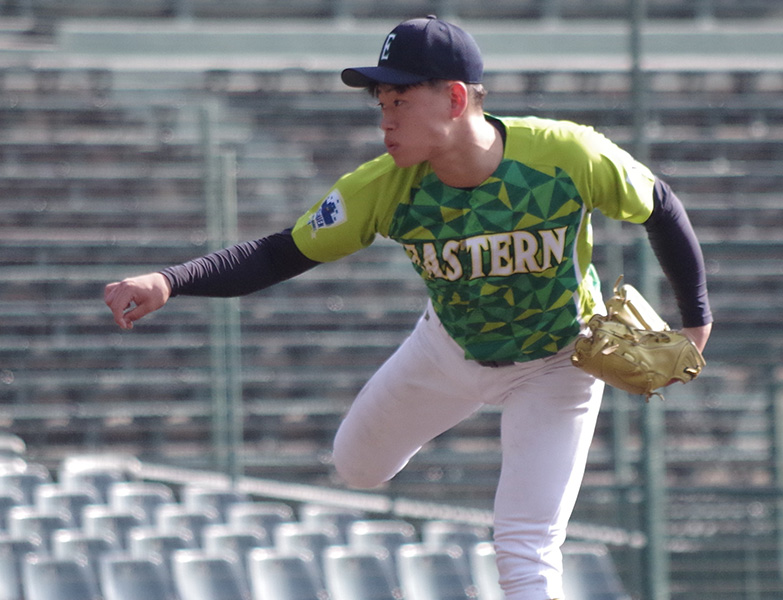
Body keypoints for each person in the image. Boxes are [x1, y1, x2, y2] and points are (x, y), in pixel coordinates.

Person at [105, 15, 712, 600]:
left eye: (399, 101)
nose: (384, 121)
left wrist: (696, 320)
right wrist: (170, 280)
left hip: (558, 364)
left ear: (453, 98)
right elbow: (283, 253)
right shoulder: (383, 186)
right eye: (381, 104)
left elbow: (659, 205)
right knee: (356, 468)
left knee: (526, 547)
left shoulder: (565, 155)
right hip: (446, 350)